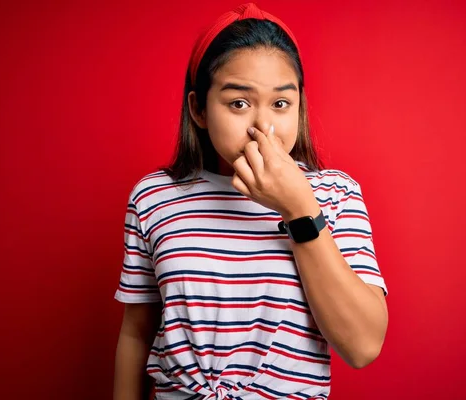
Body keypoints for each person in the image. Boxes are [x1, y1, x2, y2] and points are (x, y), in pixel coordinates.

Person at [113, 3, 389, 399]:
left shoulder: (336, 193)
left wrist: (298, 209)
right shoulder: (154, 196)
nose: (263, 126)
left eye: (280, 103)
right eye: (239, 103)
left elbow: (363, 346)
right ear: (199, 109)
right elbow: (136, 333)